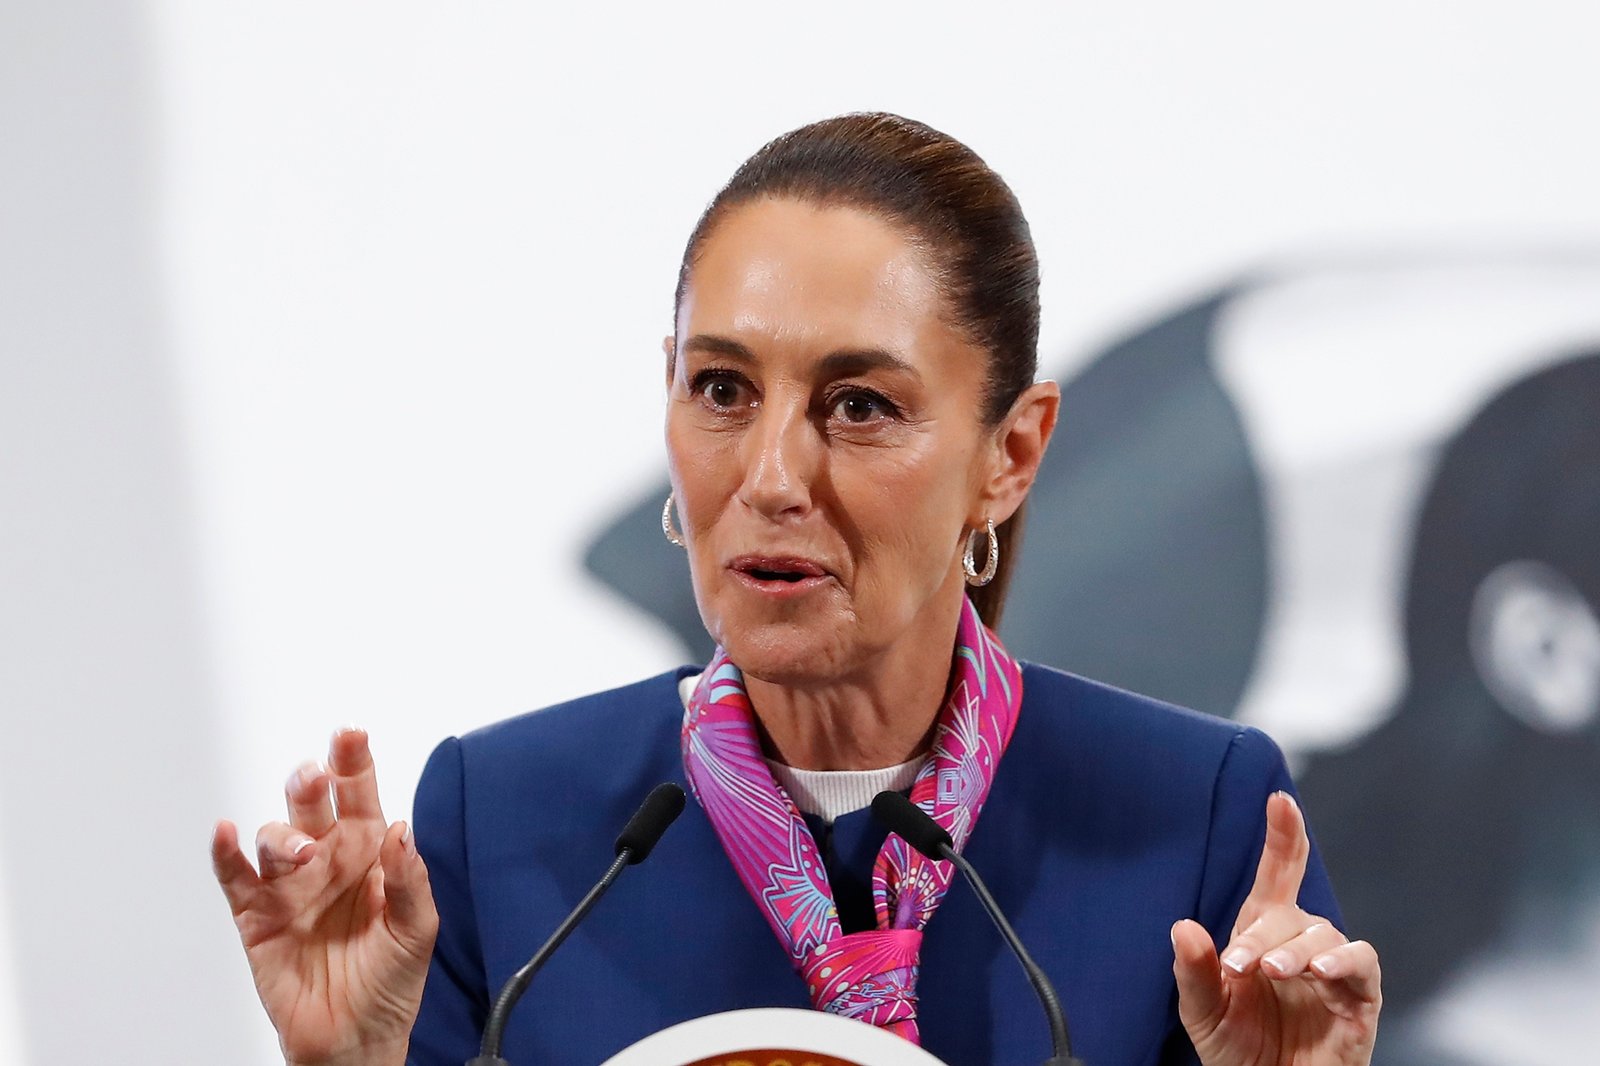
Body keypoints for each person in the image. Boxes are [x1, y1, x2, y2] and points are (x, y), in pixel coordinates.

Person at [211, 113, 1381, 1066]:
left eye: (859, 405)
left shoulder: (1193, 817)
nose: (770, 477)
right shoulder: (505, 820)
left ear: (1010, 454)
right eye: (721, 390)